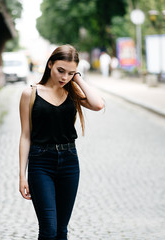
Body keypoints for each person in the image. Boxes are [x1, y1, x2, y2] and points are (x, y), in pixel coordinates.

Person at [19, 44, 104, 240]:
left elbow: (98, 104)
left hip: (69, 162)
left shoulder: (72, 92)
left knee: (61, 230)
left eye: (70, 73)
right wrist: (22, 176)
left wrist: (78, 78)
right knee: (49, 229)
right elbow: (25, 136)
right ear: (50, 64)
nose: (64, 77)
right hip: (41, 163)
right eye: (60, 70)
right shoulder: (30, 94)